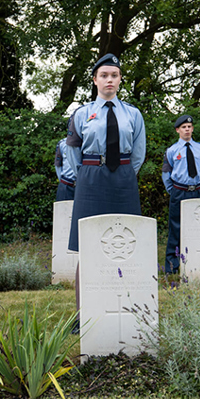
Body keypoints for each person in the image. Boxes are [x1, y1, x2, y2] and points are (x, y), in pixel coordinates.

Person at [66, 53, 146, 329]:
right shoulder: (81, 113)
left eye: (114, 75)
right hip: (90, 178)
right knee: (87, 247)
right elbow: (73, 151)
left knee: (126, 243)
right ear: (95, 80)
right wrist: (88, 174)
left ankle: (126, 307)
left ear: (120, 79)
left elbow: (138, 153)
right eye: (104, 75)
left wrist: (123, 173)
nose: (109, 80)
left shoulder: (133, 114)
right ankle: (83, 313)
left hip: (123, 178)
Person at [162, 114, 200, 276]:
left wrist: (198, 185)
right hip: (179, 191)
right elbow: (166, 174)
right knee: (176, 228)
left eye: (189, 127)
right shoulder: (172, 151)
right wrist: (174, 190)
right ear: (177, 130)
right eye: (183, 127)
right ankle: (172, 266)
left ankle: (197, 263)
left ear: (192, 129)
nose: (187, 129)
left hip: (197, 191)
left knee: (199, 227)